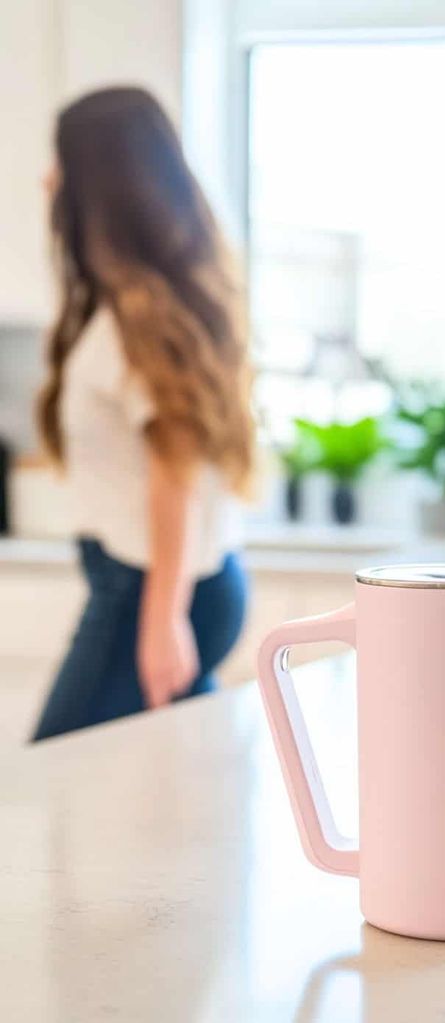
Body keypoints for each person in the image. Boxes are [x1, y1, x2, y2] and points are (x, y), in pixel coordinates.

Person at [31, 87, 254, 741]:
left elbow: (174, 473)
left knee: (56, 769)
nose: (47, 180)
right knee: (163, 790)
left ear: (101, 182)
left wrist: (162, 618)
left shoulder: (139, 322)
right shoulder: (146, 307)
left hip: (145, 590)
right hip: (178, 583)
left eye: (61, 162)